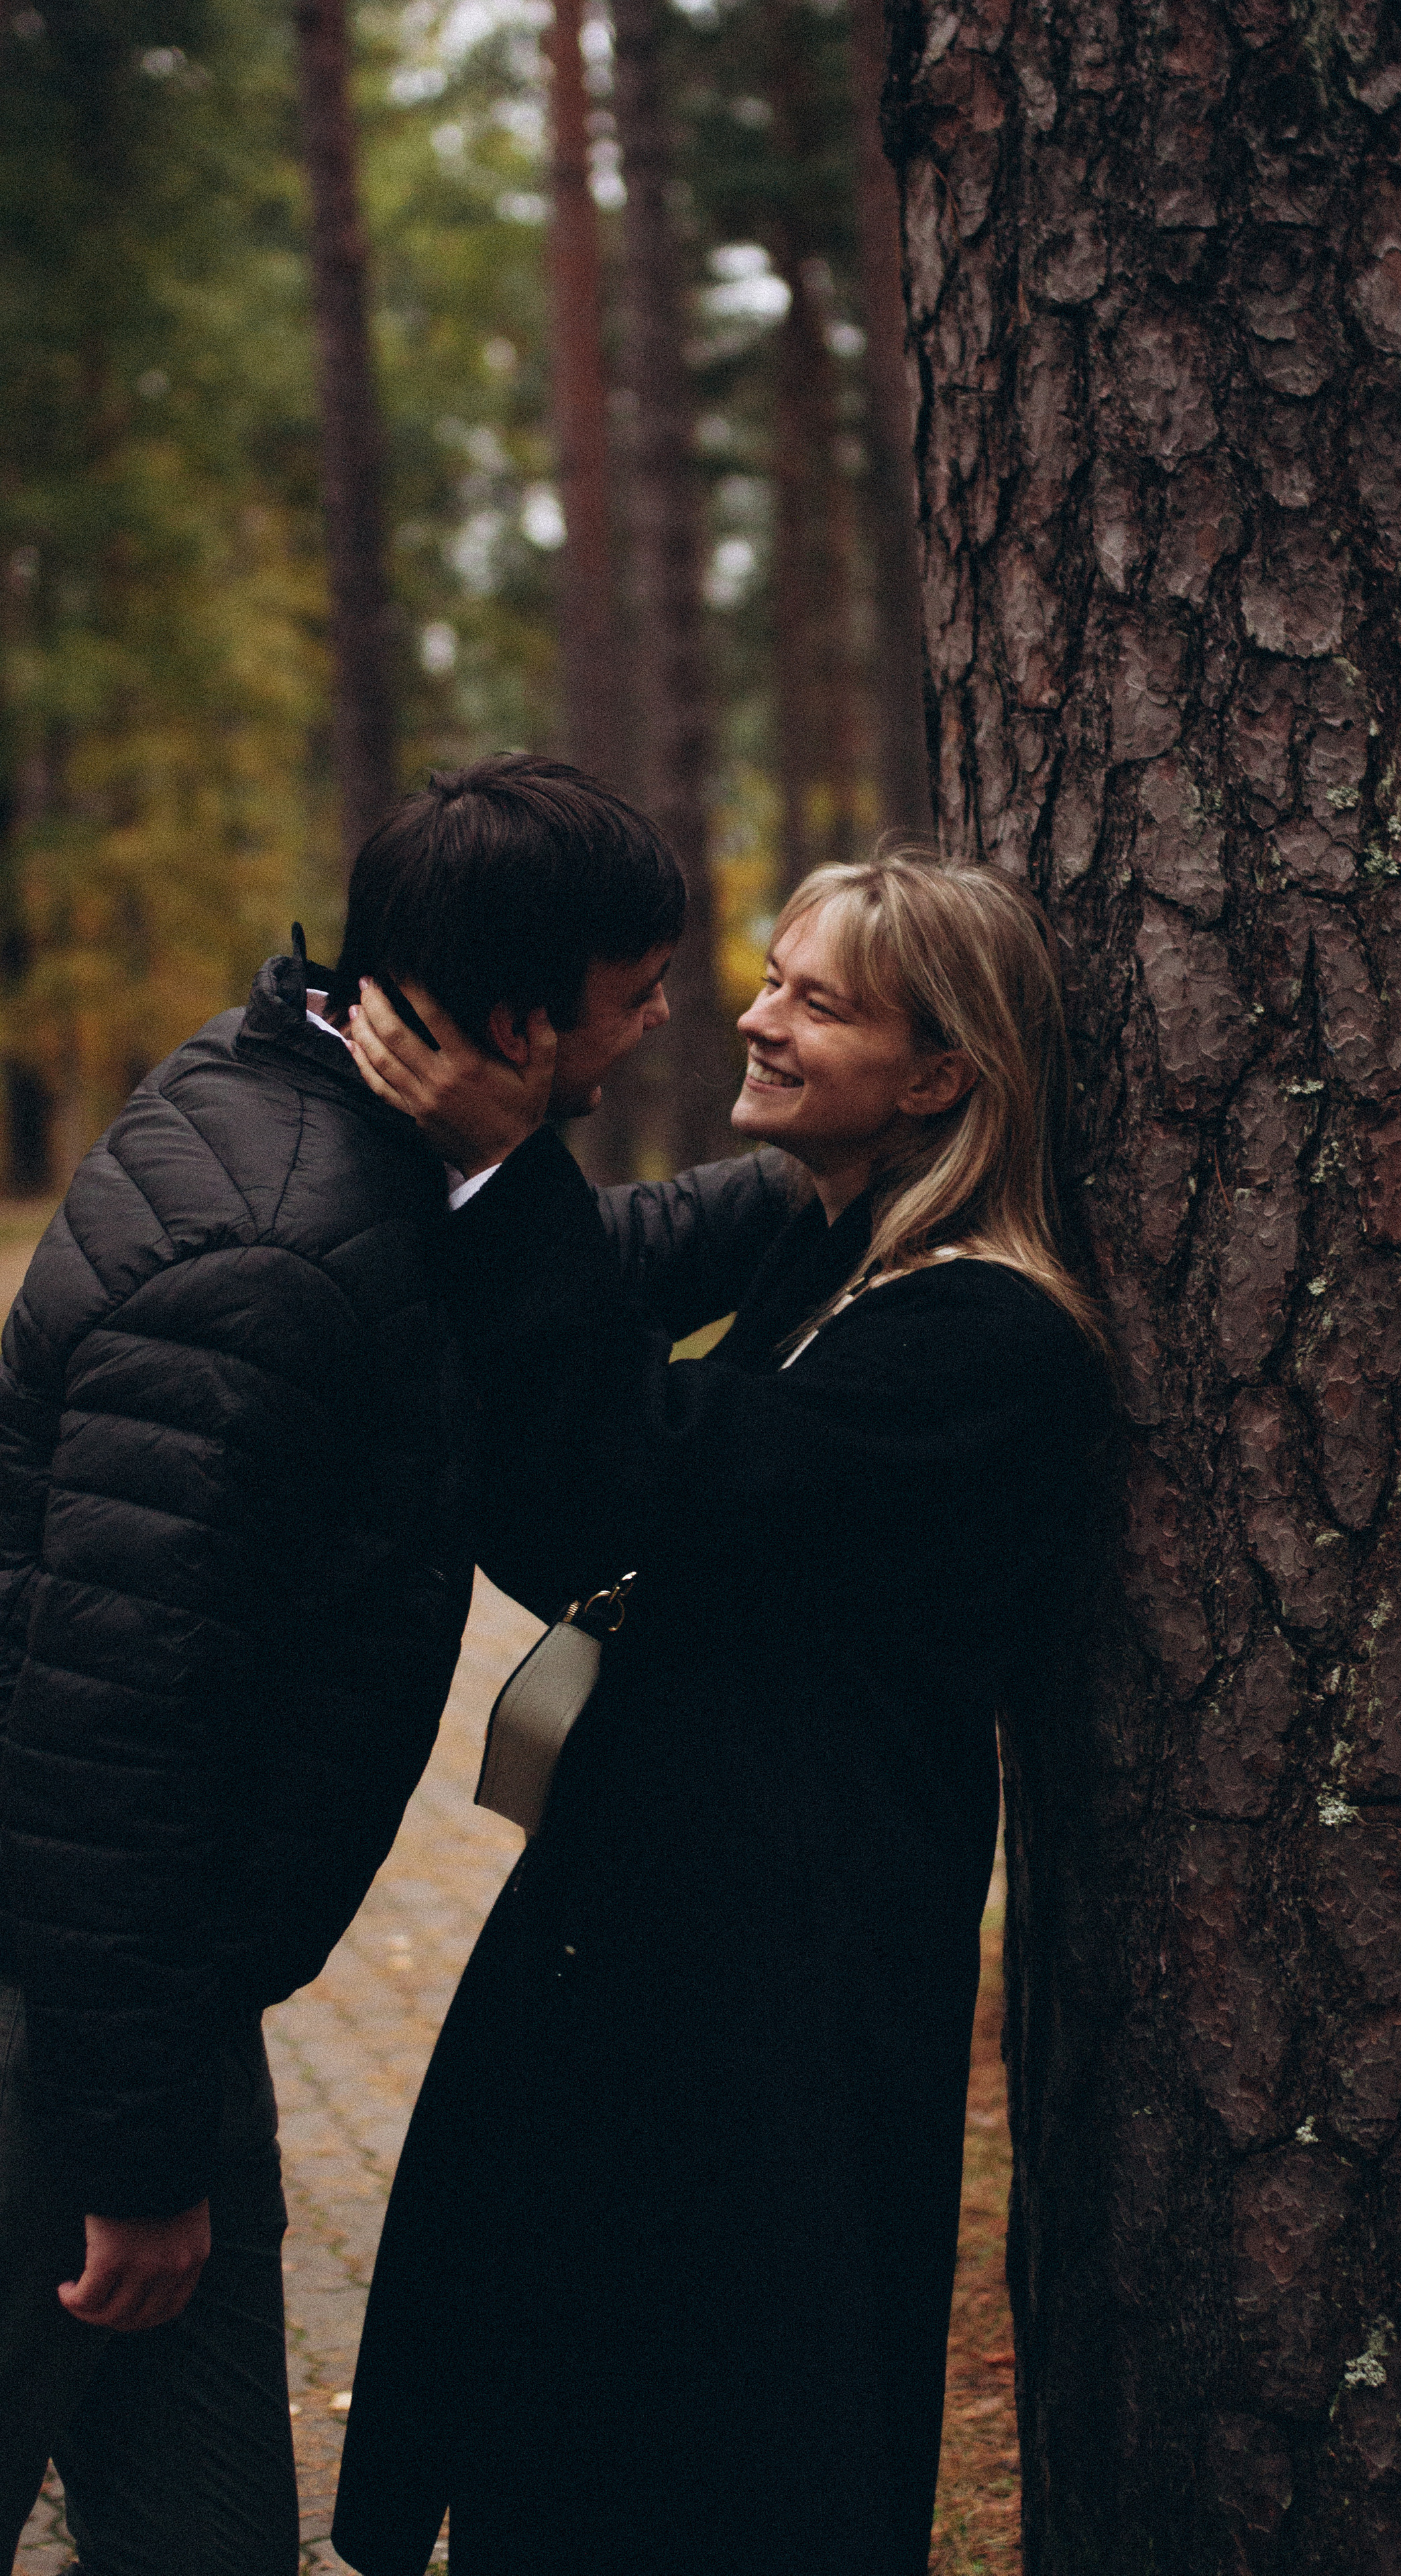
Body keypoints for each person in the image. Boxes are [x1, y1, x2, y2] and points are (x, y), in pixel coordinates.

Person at [0, 753, 791, 2576]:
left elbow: (562, 1269)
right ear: (512, 1026)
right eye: (629, 997)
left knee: (201, 2539)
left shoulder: (337, 1115)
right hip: (64, 2016)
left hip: (148, 2013)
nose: (667, 1018)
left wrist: (822, 1181)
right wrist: (132, 2157)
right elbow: (108, 1739)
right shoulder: (278, 1261)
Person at [329, 852, 1115, 2576]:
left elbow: (636, 1488)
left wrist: (505, 1161)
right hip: (660, 1963)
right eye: (769, 977)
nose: (753, 1019)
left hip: (778, 2007)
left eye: (813, 1000)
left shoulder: (987, 1337)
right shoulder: (819, 1261)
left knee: (713, 2459)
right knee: (571, 2431)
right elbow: (567, 1509)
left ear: (938, 1078)